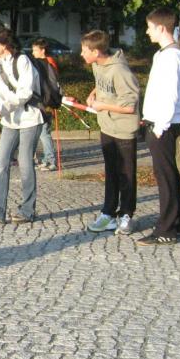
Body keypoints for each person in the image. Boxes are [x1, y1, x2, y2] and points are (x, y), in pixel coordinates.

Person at [0, 27, 43, 224]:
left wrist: (4, 108)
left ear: (4, 44)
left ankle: (27, 211)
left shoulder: (22, 61)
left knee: (25, 163)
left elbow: (25, 93)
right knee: (2, 163)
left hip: (30, 118)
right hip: (9, 121)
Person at [80, 30, 140, 235]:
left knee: (126, 175)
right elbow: (101, 84)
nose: (81, 54)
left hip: (124, 129)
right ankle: (108, 213)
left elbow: (130, 106)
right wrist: (93, 94)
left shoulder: (120, 70)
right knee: (111, 172)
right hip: (107, 126)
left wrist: (102, 105)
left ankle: (126, 215)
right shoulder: (97, 65)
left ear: (96, 52)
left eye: (84, 50)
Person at [139, 7, 180, 245]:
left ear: (161, 27)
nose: (147, 32)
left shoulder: (171, 57)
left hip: (163, 125)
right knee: (169, 174)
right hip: (158, 121)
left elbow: (169, 95)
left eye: (150, 27)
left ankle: (166, 229)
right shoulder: (164, 54)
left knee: (165, 176)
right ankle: (176, 223)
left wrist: (160, 126)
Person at [31, 38, 58, 171]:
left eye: (35, 50)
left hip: (46, 103)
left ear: (43, 50)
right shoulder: (41, 63)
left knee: (44, 132)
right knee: (41, 132)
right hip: (42, 101)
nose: (33, 53)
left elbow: (51, 85)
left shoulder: (48, 63)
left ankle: (51, 161)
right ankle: (46, 159)